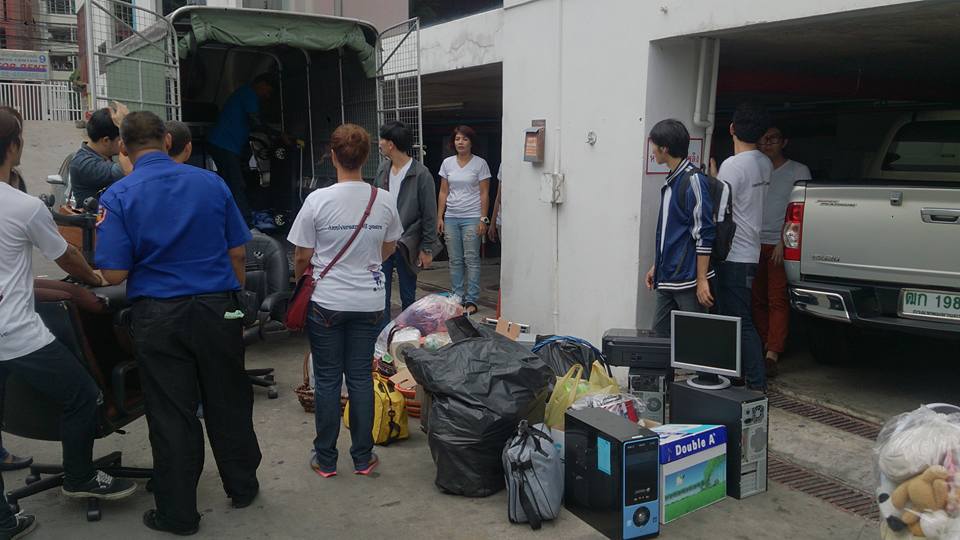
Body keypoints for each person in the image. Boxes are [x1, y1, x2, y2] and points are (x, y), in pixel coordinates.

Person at [95, 111, 262, 536]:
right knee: (229, 398)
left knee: (171, 412)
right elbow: (238, 252)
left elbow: (114, 273)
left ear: (123, 147)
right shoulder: (211, 183)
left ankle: (179, 513)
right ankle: (243, 487)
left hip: (159, 315)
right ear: (167, 140)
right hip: (217, 308)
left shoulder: (117, 195)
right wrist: (234, 301)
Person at [1, 109, 138, 539]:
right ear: (14, 147)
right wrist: (94, 279)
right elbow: (68, 256)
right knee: (83, 394)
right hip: (14, 334)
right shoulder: (23, 206)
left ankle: (3, 521)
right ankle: (80, 476)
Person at [288, 123, 402, 479]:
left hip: (327, 302)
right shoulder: (384, 200)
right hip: (369, 302)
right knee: (360, 378)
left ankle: (325, 459)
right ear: (366, 158)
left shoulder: (317, 201)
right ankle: (363, 458)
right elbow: (389, 246)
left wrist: (305, 278)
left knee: (326, 380)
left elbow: (302, 256)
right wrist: (365, 263)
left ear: (333, 156)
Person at [712, 103, 773, 392]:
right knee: (740, 318)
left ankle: (757, 385)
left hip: (733, 253)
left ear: (732, 129)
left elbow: (720, 210)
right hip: (752, 250)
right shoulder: (765, 162)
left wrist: (713, 181)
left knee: (739, 321)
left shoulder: (733, 166)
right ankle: (738, 376)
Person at [645, 119, 716, 337]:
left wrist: (702, 280)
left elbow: (704, 233)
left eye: (654, 145)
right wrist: (657, 265)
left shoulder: (693, 180)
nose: (652, 151)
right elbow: (671, 232)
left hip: (688, 279)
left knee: (695, 340)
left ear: (664, 148)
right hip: (667, 277)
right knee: (659, 338)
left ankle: (702, 367)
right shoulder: (672, 180)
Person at [754, 125, 811, 378]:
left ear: (784, 142)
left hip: (779, 244)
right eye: (763, 139)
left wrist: (782, 241)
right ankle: (763, 342)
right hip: (753, 242)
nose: (767, 143)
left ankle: (773, 352)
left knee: (777, 298)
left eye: (773, 139)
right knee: (756, 298)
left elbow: (800, 211)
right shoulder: (755, 168)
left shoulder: (798, 171)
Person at [374, 120, 438, 327]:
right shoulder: (383, 169)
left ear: (391, 144)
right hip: (383, 241)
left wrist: (427, 248)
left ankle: (407, 334)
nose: (379, 143)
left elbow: (429, 214)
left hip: (408, 242)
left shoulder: (421, 174)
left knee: (408, 295)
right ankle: (384, 335)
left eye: (382, 139)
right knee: (381, 294)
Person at [207, 74, 279, 227]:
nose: (267, 96)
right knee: (236, 183)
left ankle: (228, 219)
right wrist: (278, 134)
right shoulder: (249, 94)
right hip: (224, 144)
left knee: (231, 182)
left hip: (222, 144)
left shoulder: (243, 93)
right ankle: (246, 224)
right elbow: (256, 122)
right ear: (261, 84)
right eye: (267, 91)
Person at [437, 125, 491, 314]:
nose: (460, 142)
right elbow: (443, 191)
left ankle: (472, 300)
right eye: (457, 139)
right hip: (451, 217)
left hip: (472, 217)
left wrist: (483, 219)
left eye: (465, 139)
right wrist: (440, 216)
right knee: (455, 260)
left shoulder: (480, 164)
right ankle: (457, 297)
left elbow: (484, 193)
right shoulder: (447, 163)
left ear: (471, 142)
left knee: (471, 259)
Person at [69, 103, 130, 206]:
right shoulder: (84, 164)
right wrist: (125, 127)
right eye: (121, 139)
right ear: (106, 140)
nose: (122, 144)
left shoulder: (104, 156)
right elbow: (126, 170)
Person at [488, 164, 503, 243]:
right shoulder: (503, 164)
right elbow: (499, 197)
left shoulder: (503, 164)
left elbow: (499, 197)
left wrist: (493, 223)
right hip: (501, 221)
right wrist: (493, 223)